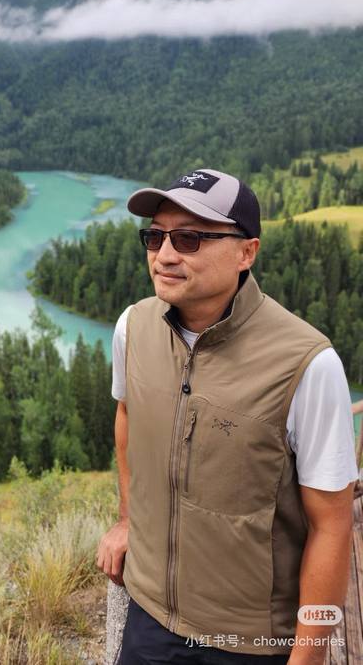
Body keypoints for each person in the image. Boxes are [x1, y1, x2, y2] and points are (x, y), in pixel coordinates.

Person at [96, 168, 359, 665]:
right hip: (150, 616)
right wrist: (129, 520)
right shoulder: (134, 327)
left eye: (189, 239)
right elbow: (128, 415)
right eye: (155, 236)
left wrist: (308, 658)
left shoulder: (307, 364)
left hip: (251, 642)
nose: (164, 255)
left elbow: (333, 525)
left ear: (246, 253)